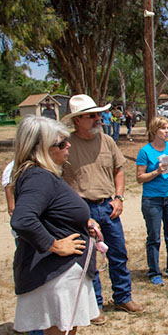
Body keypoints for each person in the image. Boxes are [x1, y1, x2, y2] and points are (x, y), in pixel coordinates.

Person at [10, 116, 100, 335]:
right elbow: (22, 219)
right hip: (58, 272)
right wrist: (55, 245)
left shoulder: (41, 175)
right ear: (40, 149)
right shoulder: (38, 177)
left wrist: (83, 223)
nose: (68, 146)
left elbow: (49, 214)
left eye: (66, 141)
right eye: (60, 144)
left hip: (59, 273)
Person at [61, 94, 144, 322]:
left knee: (119, 254)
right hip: (82, 210)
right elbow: (59, 180)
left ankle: (123, 297)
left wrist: (119, 198)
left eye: (98, 114)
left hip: (108, 206)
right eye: (91, 116)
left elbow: (119, 171)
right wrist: (74, 209)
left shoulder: (107, 141)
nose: (98, 118)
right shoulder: (66, 145)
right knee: (89, 260)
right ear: (77, 120)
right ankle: (94, 306)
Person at [2, 160, 46, 335]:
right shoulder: (13, 169)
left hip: (48, 235)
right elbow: (13, 209)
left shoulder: (47, 165)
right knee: (37, 288)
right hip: (33, 238)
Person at [136, 116, 168, 286]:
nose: (166, 131)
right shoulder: (145, 151)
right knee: (154, 237)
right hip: (152, 200)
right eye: (163, 128)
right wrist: (156, 172)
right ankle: (154, 272)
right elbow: (139, 178)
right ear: (154, 130)